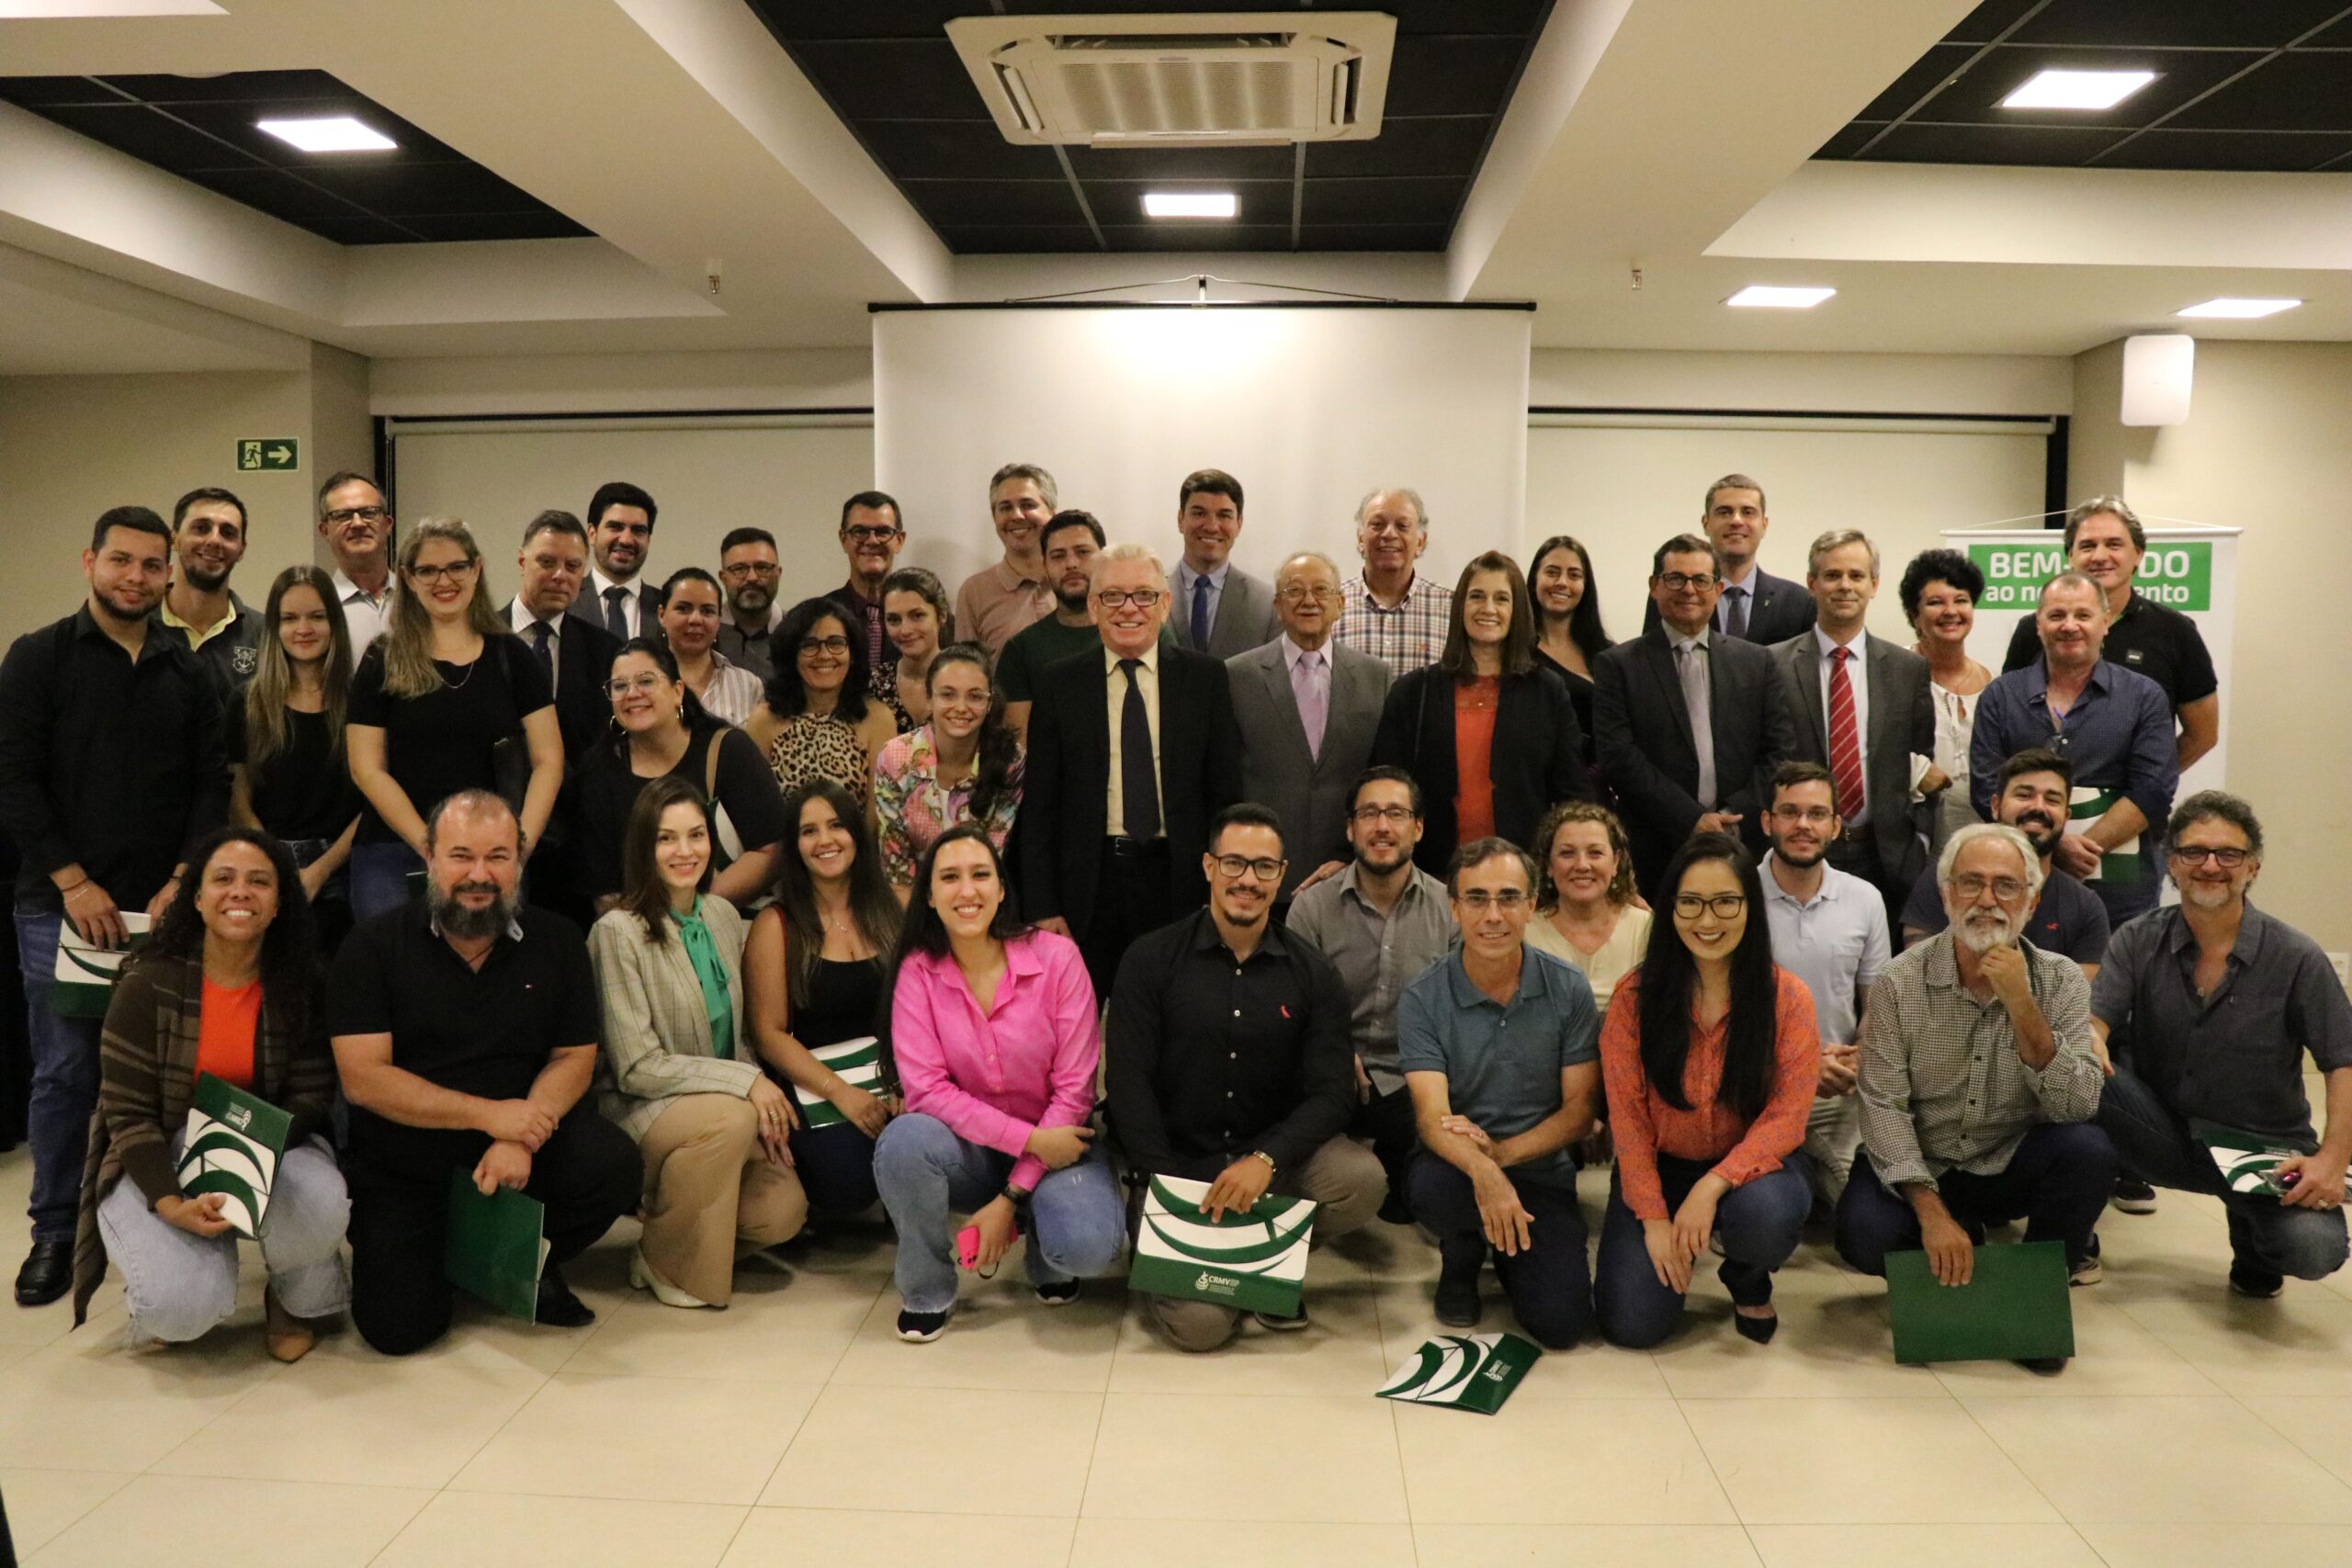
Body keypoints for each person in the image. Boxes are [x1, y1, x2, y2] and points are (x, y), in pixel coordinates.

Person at [0, 506, 227, 1307]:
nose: (136, 577)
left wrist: (180, 878)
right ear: (90, 559)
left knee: (169, 1071)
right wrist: (71, 879)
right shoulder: (38, 658)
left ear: (169, 574)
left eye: (151, 565)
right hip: (59, 906)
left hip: (164, 907)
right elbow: (14, 779)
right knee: (66, 1070)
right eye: (121, 561)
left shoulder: (188, 669)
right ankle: (55, 1231)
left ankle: (158, 1223)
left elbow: (210, 785)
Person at [328, 791, 639, 1355]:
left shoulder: (559, 941)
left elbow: (574, 1058)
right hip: (408, 1162)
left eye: (498, 856)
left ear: (520, 858)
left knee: (612, 1165)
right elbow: (364, 1079)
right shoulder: (370, 948)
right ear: (428, 855)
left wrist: (522, 1133)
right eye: (461, 856)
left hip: (524, 1150)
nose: (479, 875)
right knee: (400, 1331)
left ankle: (519, 1255)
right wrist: (492, 1117)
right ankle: (475, 1258)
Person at [1836, 823, 2116, 1361]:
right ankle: (1953, 1252)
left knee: (2090, 1153)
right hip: (1925, 1161)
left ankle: (2035, 1306)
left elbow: (2078, 1104)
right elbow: (1883, 1109)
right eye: (1971, 883)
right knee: (1863, 1236)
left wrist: (2022, 1005)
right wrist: (1931, 1212)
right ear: (1945, 897)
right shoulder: (1900, 982)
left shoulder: (2060, 980)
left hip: (2007, 1156)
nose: (1987, 901)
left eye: (2006, 887)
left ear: (2030, 905)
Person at [1107, 805, 1380, 1349]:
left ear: (1282, 875)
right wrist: (1173, 1198)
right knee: (1202, 1331)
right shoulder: (1150, 959)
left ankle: (1267, 1258)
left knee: (1362, 1179)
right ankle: (1224, 1265)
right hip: (1178, 1170)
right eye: (1234, 863)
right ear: (1208, 866)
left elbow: (1332, 1093)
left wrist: (1266, 1159)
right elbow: (1128, 1089)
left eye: (1263, 867)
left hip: (1269, 1170)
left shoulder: (1312, 973)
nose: (1248, 880)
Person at [72, 828, 344, 1359]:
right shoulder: (146, 983)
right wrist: (171, 1202)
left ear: (279, 902)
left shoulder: (303, 982)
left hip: (271, 1145)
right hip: (161, 1150)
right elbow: (127, 1116)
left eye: (259, 882)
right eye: (223, 879)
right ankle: (181, 1267)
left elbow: (312, 1094)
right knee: (178, 1314)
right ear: (196, 899)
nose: (240, 892)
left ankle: (289, 1293)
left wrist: (242, 1163)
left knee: (323, 1207)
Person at [2090, 792, 2352, 1298]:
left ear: (2252, 867)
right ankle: (2069, 1237)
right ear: (2172, 864)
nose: (2211, 865)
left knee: (2314, 1251)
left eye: (2228, 854)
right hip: (2162, 1130)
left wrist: (2332, 1159)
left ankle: (2254, 1234)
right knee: (2069, 1066)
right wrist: (2090, 1041)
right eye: (2194, 852)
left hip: (2265, 1151)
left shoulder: (2297, 956)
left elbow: (2344, 1059)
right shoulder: (2136, 939)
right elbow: (2095, 1021)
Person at [873, 826, 1125, 1340]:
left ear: (1003, 888)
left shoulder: (1057, 958)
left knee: (1087, 1248)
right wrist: (1028, 1141)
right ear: (930, 896)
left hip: (1063, 1142)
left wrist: (1010, 1196)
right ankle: (927, 1288)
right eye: (950, 878)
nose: (968, 891)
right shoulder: (917, 972)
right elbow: (926, 1092)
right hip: (982, 1151)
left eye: (980, 875)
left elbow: (1075, 1092)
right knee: (903, 1141)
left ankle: (1039, 1240)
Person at [589, 779, 805, 1309]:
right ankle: (674, 1269)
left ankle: (662, 1236)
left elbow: (745, 1039)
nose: (685, 852)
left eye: (696, 836)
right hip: (641, 1109)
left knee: (783, 1211)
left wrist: (761, 1107)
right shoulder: (617, 931)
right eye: (667, 839)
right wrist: (745, 1088)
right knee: (729, 1122)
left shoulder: (723, 917)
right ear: (644, 847)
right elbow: (636, 1067)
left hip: (723, 1112)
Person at [1597, 833, 1819, 1347]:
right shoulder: (1635, 998)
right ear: (1670, 908)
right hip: (1660, 1167)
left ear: (1750, 907)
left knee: (1766, 1217)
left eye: (1725, 903)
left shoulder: (1787, 997)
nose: (1707, 920)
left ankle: (1745, 1273)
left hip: (1752, 1171)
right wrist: (1654, 1219)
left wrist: (1714, 1184)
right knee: (1632, 1325)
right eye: (1690, 903)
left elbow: (1788, 1117)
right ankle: (1676, 1237)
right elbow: (1627, 1120)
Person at [1018, 543, 1243, 996]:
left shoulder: (1206, 679)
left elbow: (1226, 795)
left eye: (1143, 595)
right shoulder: (1059, 683)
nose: (1129, 609)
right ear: (1095, 607)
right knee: (1077, 1024)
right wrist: (1042, 906)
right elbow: (1041, 805)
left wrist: (1223, 885)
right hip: (1090, 885)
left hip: (1181, 881)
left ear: (1164, 605)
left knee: (1178, 1015)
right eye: (1114, 597)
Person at [1401, 839, 1600, 1345]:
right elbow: (1431, 1117)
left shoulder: (1568, 987)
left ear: (1532, 905)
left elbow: (1579, 1114)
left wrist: (1503, 1157)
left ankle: (1512, 1252)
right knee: (1430, 1189)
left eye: (1509, 897)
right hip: (1457, 1168)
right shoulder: (1423, 996)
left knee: (1562, 1327)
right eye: (1476, 898)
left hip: (1540, 1169)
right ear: (1454, 907)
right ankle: (1463, 1253)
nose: (1493, 915)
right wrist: (1484, 1171)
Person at [345, 520, 564, 922]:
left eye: (456, 567)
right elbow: (366, 768)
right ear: (408, 579)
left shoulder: (512, 657)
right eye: (427, 570)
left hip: (491, 855)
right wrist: (430, 845)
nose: (443, 580)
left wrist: (519, 844)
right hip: (395, 853)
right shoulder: (382, 659)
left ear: (476, 569)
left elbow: (549, 760)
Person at [1287, 767, 1457, 1224]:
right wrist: (1333, 1051)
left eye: (1397, 814)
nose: (1382, 826)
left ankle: (1403, 1164)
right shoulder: (1311, 906)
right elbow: (1291, 1005)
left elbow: (1460, 1012)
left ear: (1418, 828)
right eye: (1369, 814)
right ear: (1350, 828)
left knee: (1418, 1197)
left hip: (1414, 1078)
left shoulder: (1451, 909)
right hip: (1329, 1073)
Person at [1972, 571, 2177, 929]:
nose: (2070, 626)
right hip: (2020, 885)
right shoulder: (2000, 696)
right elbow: (1986, 788)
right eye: (2056, 615)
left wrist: (2075, 848)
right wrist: (2055, 846)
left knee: (2116, 981)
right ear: (2038, 624)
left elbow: (2154, 790)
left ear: (2106, 621)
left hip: (2123, 893)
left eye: (2082, 615)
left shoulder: (2144, 697)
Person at [1593, 534, 1795, 897]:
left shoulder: (1757, 662)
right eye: (1676, 579)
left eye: (1701, 580)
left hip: (1740, 842)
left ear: (1717, 590)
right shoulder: (1618, 665)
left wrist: (1732, 815)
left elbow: (1778, 751)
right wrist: (1691, 819)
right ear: (1655, 587)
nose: (1689, 589)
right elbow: (1619, 757)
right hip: (1654, 847)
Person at [744, 781, 905, 1220]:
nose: (825, 841)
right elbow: (768, 1034)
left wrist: (910, 1084)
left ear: (856, 833)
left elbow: (919, 1013)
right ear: (794, 847)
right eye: (809, 831)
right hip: (813, 1078)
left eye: (836, 826)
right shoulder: (775, 925)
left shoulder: (893, 909)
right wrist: (842, 1094)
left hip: (893, 1070)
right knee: (848, 1184)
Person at [1371, 551, 1588, 877]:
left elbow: (1574, 794)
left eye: (1501, 598)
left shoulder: (1547, 691)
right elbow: (1382, 787)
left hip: (1522, 874)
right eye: (1476, 597)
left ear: (1517, 612)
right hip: (1431, 875)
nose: (1488, 609)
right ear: (1460, 607)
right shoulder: (1413, 692)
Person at [1769, 529, 1937, 920]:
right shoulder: (1772, 665)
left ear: (1874, 584)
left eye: (1856, 576)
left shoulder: (1908, 669)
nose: (1845, 586)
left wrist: (1920, 843)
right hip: (1800, 846)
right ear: (1812, 583)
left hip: (1884, 855)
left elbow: (1922, 763)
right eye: (1832, 575)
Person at [2001, 497, 2219, 773]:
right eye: (2088, 546)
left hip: (2138, 810)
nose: (2100, 556)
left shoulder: (2176, 632)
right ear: (2070, 556)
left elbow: (2203, 734)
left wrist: (2149, 786)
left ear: (2138, 554)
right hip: (2044, 807)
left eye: (2114, 544)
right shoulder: (2034, 630)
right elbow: (2009, 718)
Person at [1756, 763, 1889, 1205]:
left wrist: (1857, 1059)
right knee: (1766, 1211)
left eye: (1816, 814)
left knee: (1864, 1211)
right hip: (1755, 1087)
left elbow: (1877, 1007)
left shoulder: (1865, 899)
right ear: (1767, 821)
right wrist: (1800, 1065)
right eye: (1789, 812)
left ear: (1835, 825)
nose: (1802, 825)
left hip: (1838, 1089)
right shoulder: (1737, 895)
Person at [571, 638, 786, 910]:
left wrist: (693, 911)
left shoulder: (728, 750)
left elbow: (771, 849)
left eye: (646, 681)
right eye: (620, 686)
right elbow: (604, 891)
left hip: (723, 918)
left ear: (677, 691)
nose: (632, 693)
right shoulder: (598, 770)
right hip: (638, 932)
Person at [1227, 551, 1391, 897]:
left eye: (1321, 590)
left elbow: (1381, 775)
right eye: (1295, 591)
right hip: (1259, 870)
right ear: (1277, 605)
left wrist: (1352, 855)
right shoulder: (1237, 676)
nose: (1309, 601)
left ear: (1341, 603)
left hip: (1346, 870)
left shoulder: (1375, 676)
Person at [229, 566, 363, 946]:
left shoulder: (361, 701)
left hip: (342, 868)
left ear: (334, 623)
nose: (303, 629)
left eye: (316, 617)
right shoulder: (247, 702)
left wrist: (320, 871)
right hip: (264, 863)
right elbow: (238, 802)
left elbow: (373, 804)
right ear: (274, 627)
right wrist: (276, 867)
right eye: (289, 618)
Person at [1901, 746, 2110, 974]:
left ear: (2066, 816)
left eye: (2052, 800)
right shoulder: (1943, 878)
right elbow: (1916, 982)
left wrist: (2018, 995)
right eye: (2024, 795)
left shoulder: (2085, 908)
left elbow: (2076, 1006)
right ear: (1995, 806)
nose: (2038, 807)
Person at [1000, 509, 1174, 739]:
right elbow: (1019, 749)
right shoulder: (1021, 649)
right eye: (1058, 556)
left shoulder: (1150, 633)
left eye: (1082, 552)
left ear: (1103, 558)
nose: (1071, 564)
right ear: (1044, 565)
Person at [873, 645, 1023, 896]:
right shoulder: (895, 758)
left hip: (983, 900)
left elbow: (992, 862)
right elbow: (896, 868)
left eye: (975, 696)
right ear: (929, 699)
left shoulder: (1011, 761)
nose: (961, 707)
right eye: (948, 695)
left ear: (989, 703)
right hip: (913, 905)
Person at [744, 597, 898, 809]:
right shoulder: (763, 720)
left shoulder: (878, 719)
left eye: (836, 643)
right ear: (792, 654)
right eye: (810, 645)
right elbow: (755, 809)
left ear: (852, 653)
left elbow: (877, 818)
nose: (824, 655)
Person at [505, 510, 623, 766]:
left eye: (572, 566)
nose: (560, 576)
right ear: (522, 561)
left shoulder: (605, 651)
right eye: (547, 562)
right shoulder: (480, 637)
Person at [1645, 473, 1815, 643]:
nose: (1736, 521)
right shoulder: (1671, 593)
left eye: (1748, 512)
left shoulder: (1798, 602)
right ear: (1706, 523)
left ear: (1764, 524)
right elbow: (1650, 658)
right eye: (1724, 512)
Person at [1900, 548, 1992, 861]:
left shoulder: (1994, 683)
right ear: (1915, 616)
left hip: (1981, 842)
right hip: (1913, 844)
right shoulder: (1892, 674)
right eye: (1935, 602)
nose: (1950, 611)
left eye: (1961, 600)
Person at [1524, 800, 1652, 1013]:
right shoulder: (1525, 932)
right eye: (1567, 853)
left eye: (1595, 853)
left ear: (1616, 862)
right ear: (1548, 865)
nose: (1582, 865)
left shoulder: (1645, 927)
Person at [155, 487, 264, 694]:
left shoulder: (265, 635)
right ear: (174, 539)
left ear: (241, 549)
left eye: (228, 533)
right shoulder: (138, 626)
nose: (215, 540)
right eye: (201, 528)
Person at [1335, 487, 1453, 675]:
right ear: (1360, 540)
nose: (1389, 534)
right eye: (1377, 524)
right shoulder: (1331, 605)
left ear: (1420, 542)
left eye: (1402, 526)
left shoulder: (1451, 609)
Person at [1167, 468, 1279, 658]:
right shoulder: (1148, 594)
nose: (1211, 526)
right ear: (1180, 519)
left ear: (1239, 523)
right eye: (1199, 513)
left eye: (1224, 515)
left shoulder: (1268, 604)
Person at [952, 463, 1059, 657]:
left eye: (1028, 505)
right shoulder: (974, 592)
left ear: (1052, 513)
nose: (1016, 515)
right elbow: (967, 675)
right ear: (995, 517)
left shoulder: (1076, 581)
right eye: (1005, 508)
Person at [1527, 533, 1612, 751]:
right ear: (1535, 578)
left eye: (1574, 575)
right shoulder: (1515, 652)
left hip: (1596, 780)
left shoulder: (1608, 654)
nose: (1562, 583)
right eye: (1552, 572)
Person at [656, 567, 764, 728]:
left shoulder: (748, 685)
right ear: (662, 615)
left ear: (719, 620)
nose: (695, 619)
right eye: (683, 608)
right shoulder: (642, 681)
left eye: (707, 611)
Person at [316, 471, 395, 653]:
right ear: (324, 530)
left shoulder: (418, 597)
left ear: (388, 524)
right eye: (343, 516)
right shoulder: (318, 607)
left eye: (369, 513)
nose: (358, 523)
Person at [831, 491, 907, 678]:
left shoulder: (928, 622)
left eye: (883, 532)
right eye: (860, 532)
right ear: (843, 540)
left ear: (899, 540)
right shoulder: (818, 617)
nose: (872, 541)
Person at [874, 566, 952, 732]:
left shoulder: (968, 679)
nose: (905, 630)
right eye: (894, 619)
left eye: (917, 616)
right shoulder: (875, 684)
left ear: (942, 615)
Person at [584, 480, 662, 641]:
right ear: (592, 534)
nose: (626, 540)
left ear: (648, 540)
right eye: (615, 527)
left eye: (638, 530)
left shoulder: (669, 606)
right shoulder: (566, 601)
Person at [716, 526, 786, 680]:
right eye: (739, 569)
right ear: (723, 577)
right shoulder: (704, 632)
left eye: (762, 568)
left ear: (778, 574)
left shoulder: (799, 632)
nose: (752, 577)